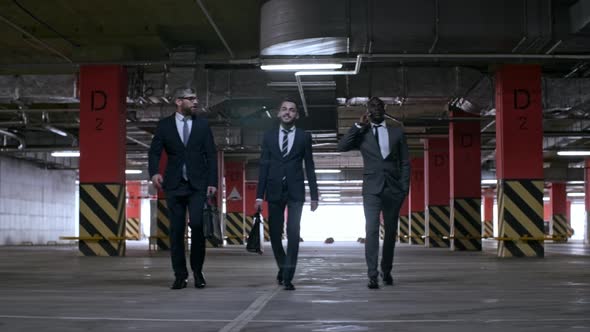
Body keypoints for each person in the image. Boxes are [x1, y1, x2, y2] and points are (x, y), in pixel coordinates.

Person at [148, 88, 218, 290]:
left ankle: (198, 272)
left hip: (198, 185)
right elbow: (154, 153)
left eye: (196, 98)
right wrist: (154, 173)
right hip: (174, 185)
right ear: (178, 102)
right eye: (191, 99)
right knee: (176, 231)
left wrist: (212, 182)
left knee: (197, 226)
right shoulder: (164, 126)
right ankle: (180, 275)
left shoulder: (203, 125)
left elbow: (211, 155)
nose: (195, 102)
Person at [338, 97, 410, 289]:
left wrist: (404, 188)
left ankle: (386, 270)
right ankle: (372, 274)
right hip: (371, 189)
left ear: (384, 109)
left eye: (379, 106)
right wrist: (358, 126)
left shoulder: (397, 132)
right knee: (371, 230)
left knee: (390, 232)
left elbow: (405, 163)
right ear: (367, 110)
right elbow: (342, 146)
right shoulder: (363, 133)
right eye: (372, 106)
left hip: (393, 189)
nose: (376, 109)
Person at [255, 98, 319, 291]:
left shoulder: (303, 137)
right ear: (278, 113)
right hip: (274, 190)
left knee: (293, 232)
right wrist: (259, 195)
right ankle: (283, 266)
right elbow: (264, 166)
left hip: (296, 191)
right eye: (284, 109)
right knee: (274, 234)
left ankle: (288, 276)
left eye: (291, 110)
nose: (287, 112)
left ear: (296, 115)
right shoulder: (268, 136)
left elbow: (309, 166)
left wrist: (314, 195)